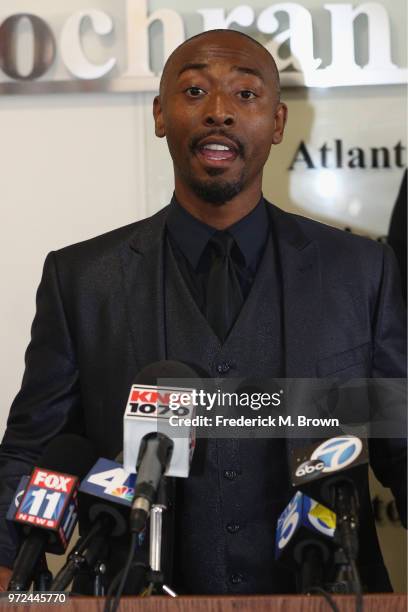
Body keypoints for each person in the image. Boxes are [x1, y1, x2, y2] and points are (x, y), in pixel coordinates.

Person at [0, 29, 406, 594]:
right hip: (131, 599)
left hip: (327, 600)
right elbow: (31, 453)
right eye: (194, 91)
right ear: (160, 114)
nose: (219, 112)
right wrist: (12, 577)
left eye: (245, 94)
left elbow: (401, 441)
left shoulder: (361, 271)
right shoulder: (83, 280)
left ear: (280, 121)